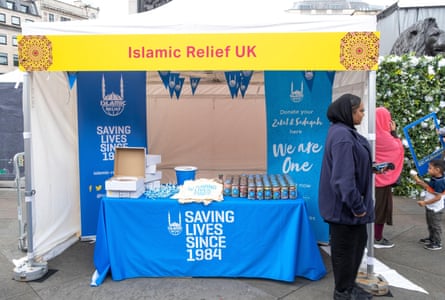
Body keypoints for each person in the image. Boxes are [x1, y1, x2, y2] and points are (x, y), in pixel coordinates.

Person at [319, 93, 374, 300]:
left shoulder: (345, 132)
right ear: (348, 112)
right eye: (360, 110)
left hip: (351, 209)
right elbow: (342, 179)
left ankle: (349, 287)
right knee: (345, 252)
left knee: (356, 248)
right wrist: (358, 207)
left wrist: (372, 167)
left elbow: (352, 165)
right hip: (346, 210)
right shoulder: (342, 136)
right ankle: (343, 292)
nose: (362, 114)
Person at [374, 107, 404, 248]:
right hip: (382, 181)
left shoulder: (371, 134)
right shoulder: (386, 137)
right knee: (381, 210)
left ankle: (370, 236)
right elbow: (398, 150)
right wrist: (394, 132)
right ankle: (377, 238)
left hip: (370, 179)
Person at [412, 159, 445, 250]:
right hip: (431, 206)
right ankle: (432, 238)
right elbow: (430, 188)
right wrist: (420, 182)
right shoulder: (435, 178)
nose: (428, 170)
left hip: (435, 208)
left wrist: (424, 202)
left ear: (437, 170)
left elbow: (438, 197)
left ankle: (437, 242)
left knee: (435, 225)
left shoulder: (439, 182)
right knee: (430, 224)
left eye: (430, 168)